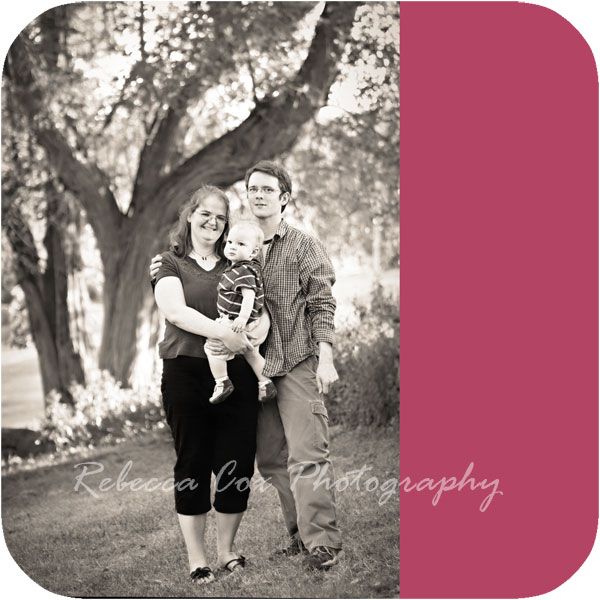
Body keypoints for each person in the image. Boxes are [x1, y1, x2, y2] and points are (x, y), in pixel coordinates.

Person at [151, 161, 342, 571]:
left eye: (268, 190)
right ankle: (298, 535)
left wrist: (324, 356)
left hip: (293, 361)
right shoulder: (234, 248)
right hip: (249, 370)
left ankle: (322, 543)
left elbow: (320, 302)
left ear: (284, 198)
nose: (258, 195)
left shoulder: (301, 246)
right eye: (253, 189)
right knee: (271, 459)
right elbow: (193, 300)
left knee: (306, 454)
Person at [153, 185, 269, 584]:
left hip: (235, 373)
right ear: (190, 215)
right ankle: (197, 560)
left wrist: (253, 332)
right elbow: (175, 311)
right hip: (185, 372)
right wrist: (226, 334)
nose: (213, 222)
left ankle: (227, 551)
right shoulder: (168, 262)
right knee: (193, 461)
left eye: (221, 217)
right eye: (205, 213)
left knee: (237, 459)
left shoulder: (238, 259)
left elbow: (261, 307)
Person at [205, 220, 277, 404]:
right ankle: (266, 383)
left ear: (253, 252)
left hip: (236, 320)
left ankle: (222, 382)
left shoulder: (243, 271)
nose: (232, 247)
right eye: (230, 242)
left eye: (240, 244)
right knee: (251, 354)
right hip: (248, 320)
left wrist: (242, 318)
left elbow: (249, 296)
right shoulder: (244, 268)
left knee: (212, 348)